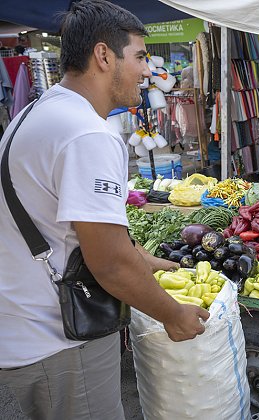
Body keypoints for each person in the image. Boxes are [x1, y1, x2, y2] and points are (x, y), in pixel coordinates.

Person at [0, 1, 209, 419]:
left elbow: (63, 227)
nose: (148, 70)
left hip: (19, 331)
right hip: (61, 343)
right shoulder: (89, 134)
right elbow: (109, 263)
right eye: (140, 57)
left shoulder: (33, 114)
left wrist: (149, 262)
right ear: (103, 56)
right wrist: (173, 315)